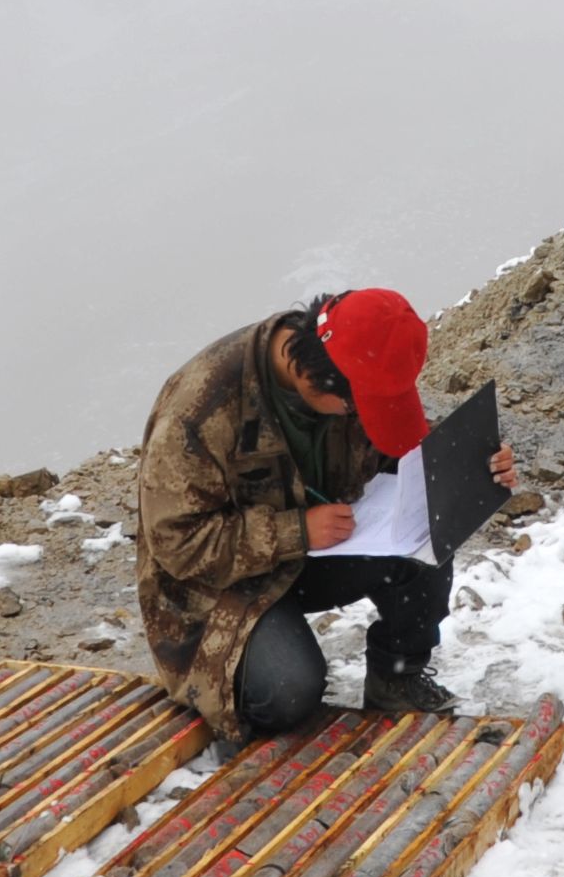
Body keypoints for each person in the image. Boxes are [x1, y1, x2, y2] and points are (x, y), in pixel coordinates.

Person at [134, 288, 516, 743]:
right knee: (286, 693)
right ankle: (244, 683)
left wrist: (473, 465)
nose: (360, 418)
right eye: (356, 408)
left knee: (425, 539)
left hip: (318, 551)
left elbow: (398, 451)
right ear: (307, 377)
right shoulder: (200, 408)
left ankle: (395, 679)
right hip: (217, 586)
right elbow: (177, 544)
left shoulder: (353, 363)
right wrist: (297, 531)